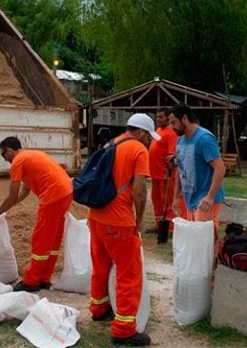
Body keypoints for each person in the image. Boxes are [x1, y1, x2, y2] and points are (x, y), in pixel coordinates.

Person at [88, 113, 159, 347]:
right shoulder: (138, 150)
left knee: (100, 266)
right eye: (149, 136)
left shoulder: (112, 143)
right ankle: (124, 329)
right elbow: (139, 190)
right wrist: (139, 220)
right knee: (129, 275)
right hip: (119, 223)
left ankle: (98, 309)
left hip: (96, 217)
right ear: (140, 132)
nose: (149, 141)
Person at [0, 136, 73, 292]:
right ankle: (44, 278)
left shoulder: (18, 161)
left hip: (53, 196)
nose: (5, 160)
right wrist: (6, 208)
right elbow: (24, 192)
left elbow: (12, 196)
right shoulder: (31, 156)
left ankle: (31, 281)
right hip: (66, 192)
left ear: (10, 150)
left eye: (3, 155)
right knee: (53, 238)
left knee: (41, 239)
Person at [168, 103, 226, 257]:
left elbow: (220, 169)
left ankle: (210, 275)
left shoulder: (204, 139)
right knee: (196, 243)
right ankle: (198, 275)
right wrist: (175, 198)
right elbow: (180, 170)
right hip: (190, 199)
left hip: (205, 201)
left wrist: (210, 197)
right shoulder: (180, 141)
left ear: (185, 118)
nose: (171, 127)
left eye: (173, 122)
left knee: (205, 243)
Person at [146, 107, 178, 234]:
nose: (158, 119)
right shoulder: (158, 131)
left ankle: (170, 228)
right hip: (155, 175)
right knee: (157, 202)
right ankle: (158, 225)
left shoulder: (171, 133)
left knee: (168, 203)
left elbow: (172, 155)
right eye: (157, 117)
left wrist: (168, 173)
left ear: (167, 117)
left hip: (165, 176)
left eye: (161, 117)